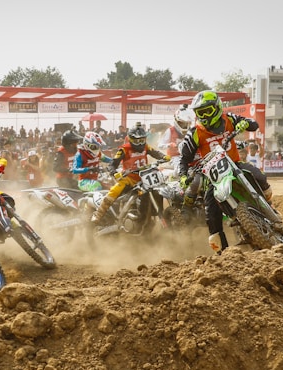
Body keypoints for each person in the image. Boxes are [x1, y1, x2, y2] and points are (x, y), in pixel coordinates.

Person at [178, 90, 272, 253]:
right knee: (211, 213)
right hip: (213, 177)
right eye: (200, 112)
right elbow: (183, 159)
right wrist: (183, 175)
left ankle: (269, 210)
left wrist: (246, 124)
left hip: (235, 165)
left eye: (207, 111)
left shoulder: (229, 119)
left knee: (259, 177)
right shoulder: (195, 133)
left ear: (217, 108)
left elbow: (254, 124)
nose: (205, 115)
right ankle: (224, 254)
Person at [91, 123, 171, 223]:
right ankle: (98, 214)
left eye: (142, 140)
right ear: (131, 139)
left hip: (144, 178)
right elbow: (113, 163)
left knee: (159, 188)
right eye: (137, 141)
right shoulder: (124, 149)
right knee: (114, 191)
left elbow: (156, 153)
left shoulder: (146, 147)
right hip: (129, 177)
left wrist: (163, 157)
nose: (140, 143)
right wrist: (114, 172)